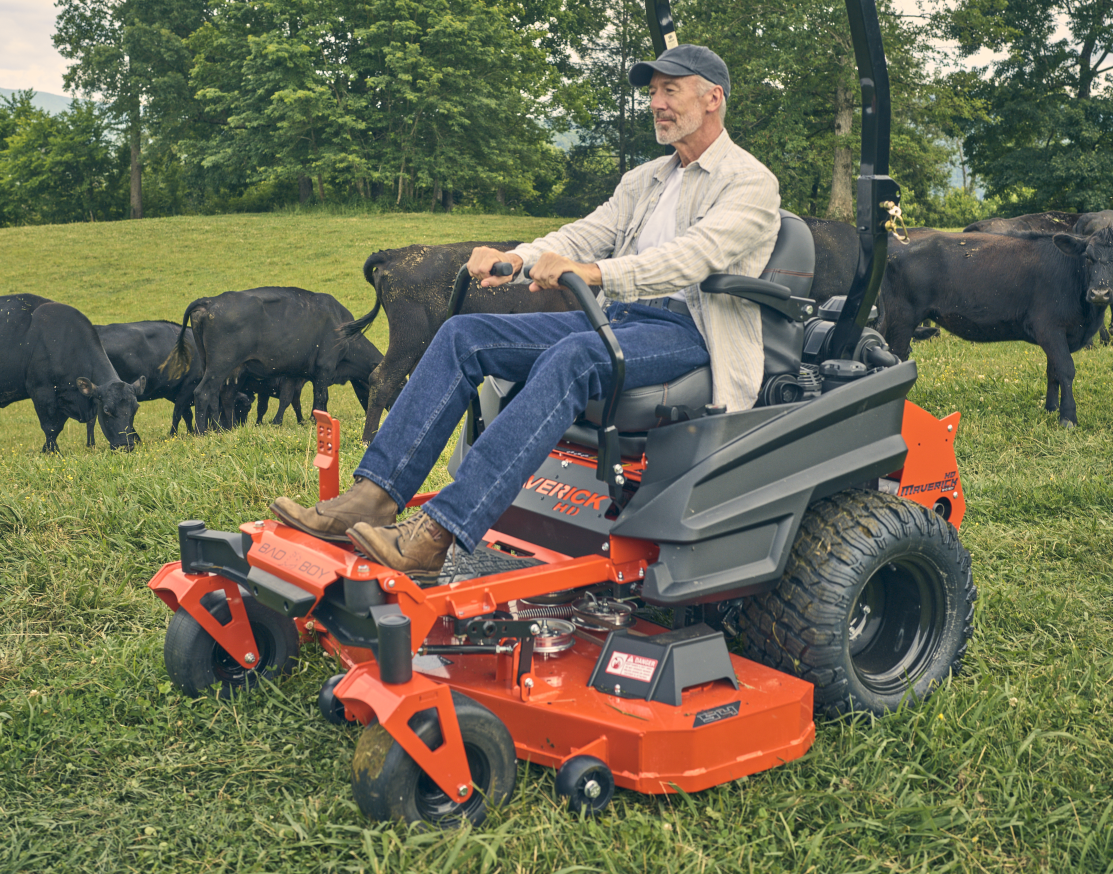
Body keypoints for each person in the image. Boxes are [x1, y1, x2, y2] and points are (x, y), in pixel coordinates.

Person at [272, 44, 781, 579]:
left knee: (575, 354)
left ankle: (438, 532)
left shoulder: (749, 183)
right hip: (620, 321)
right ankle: (374, 494)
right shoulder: (646, 179)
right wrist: (518, 258)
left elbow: (692, 257)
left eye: (669, 90)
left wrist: (595, 273)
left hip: (688, 332)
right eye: (652, 91)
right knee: (463, 333)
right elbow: (585, 233)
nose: (656, 102)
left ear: (712, 97)